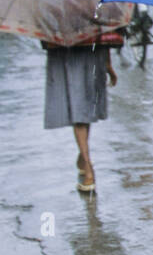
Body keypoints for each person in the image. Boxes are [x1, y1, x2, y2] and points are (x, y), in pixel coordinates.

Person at [42, 35, 121, 192]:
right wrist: (107, 63)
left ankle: (86, 162)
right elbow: (106, 24)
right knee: (83, 107)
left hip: (69, 49)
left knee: (80, 107)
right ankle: (86, 162)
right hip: (91, 48)